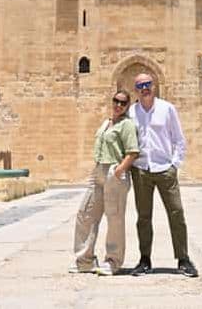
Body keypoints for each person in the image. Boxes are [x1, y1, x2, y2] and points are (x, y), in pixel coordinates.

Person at [128, 73, 199, 278]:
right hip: (141, 169)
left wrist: (174, 165)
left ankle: (183, 260)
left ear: (154, 86)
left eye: (148, 84)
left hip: (165, 168)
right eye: (140, 85)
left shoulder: (167, 108)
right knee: (143, 217)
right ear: (136, 89)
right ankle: (144, 260)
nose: (145, 88)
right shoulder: (132, 112)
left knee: (176, 213)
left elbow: (179, 140)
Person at [70, 90, 140, 276]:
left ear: (127, 106)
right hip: (99, 170)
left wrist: (119, 170)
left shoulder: (127, 125)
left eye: (123, 103)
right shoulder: (106, 123)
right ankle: (84, 260)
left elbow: (133, 151)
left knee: (114, 217)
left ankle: (113, 260)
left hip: (114, 172)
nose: (118, 105)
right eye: (116, 101)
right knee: (85, 213)